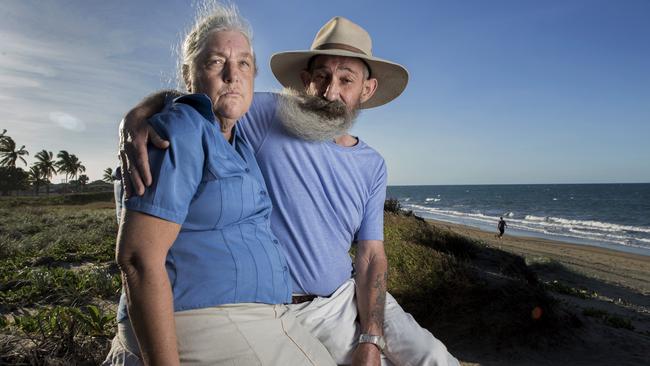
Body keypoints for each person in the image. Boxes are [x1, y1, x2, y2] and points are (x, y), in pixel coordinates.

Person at [120, 15, 459, 366]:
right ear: (305, 80)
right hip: (287, 309)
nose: (331, 92)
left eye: (346, 80)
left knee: (435, 358)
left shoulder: (372, 164)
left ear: (367, 89)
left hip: (348, 294)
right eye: (322, 77)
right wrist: (139, 114)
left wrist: (370, 337)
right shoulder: (268, 115)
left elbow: (371, 255)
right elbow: (211, 93)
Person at [103, 5, 336, 365]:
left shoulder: (238, 136)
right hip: (207, 319)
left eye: (244, 63)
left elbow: (322, 112)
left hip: (254, 318)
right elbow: (137, 257)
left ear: (255, 74)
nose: (233, 75)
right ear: (188, 74)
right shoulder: (180, 129)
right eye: (215, 62)